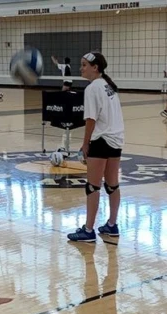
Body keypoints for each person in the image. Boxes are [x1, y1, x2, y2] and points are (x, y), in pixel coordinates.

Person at [67, 52, 124, 242]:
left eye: (84, 65)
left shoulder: (92, 88)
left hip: (101, 140)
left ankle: (88, 230)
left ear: (95, 67)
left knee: (92, 186)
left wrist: (85, 144)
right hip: (116, 139)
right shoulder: (109, 85)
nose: (81, 68)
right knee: (112, 184)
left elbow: (91, 119)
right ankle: (112, 225)